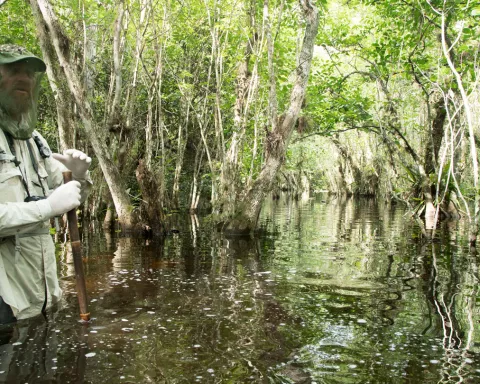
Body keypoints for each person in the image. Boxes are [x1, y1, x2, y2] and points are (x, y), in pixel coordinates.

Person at [0, 44, 92, 324]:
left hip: (40, 296)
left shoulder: (34, 140)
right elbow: (51, 205)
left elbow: (71, 195)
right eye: (14, 70)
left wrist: (79, 176)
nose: (24, 79)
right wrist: (47, 208)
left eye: (29, 73)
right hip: (5, 299)